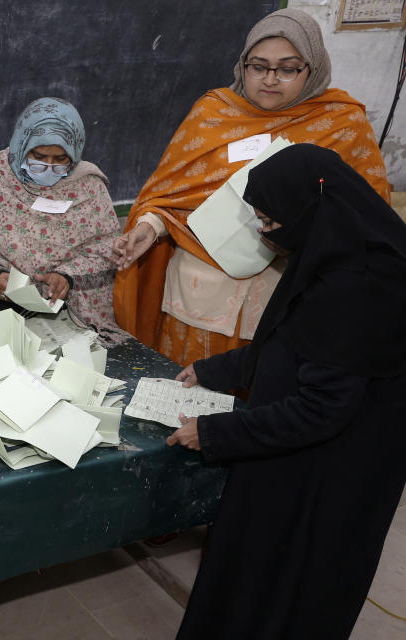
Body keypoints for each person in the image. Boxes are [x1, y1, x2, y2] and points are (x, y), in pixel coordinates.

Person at [166, 144, 406, 639]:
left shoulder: (360, 286)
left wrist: (214, 433)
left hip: (330, 474)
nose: (263, 232)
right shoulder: (333, 246)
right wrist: (213, 370)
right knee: (252, 575)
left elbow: (321, 409)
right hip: (299, 454)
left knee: (287, 587)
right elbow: (290, 342)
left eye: (270, 223)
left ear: (306, 211)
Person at [112, 8, 390, 367]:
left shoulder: (341, 123)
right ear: (242, 65)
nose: (270, 79)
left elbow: (364, 219)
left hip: (283, 299)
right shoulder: (213, 113)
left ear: (313, 67)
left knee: (260, 403)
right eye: (258, 66)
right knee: (183, 396)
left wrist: (297, 235)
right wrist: (150, 227)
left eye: (287, 68)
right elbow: (174, 194)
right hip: (199, 298)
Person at [0, 97, 121, 332]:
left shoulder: (88, 187)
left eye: (60, 160)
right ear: (21, 144)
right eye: (38, 157)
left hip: (68, 318)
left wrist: (67, 277)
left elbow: (105, 249)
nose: (48, 167)